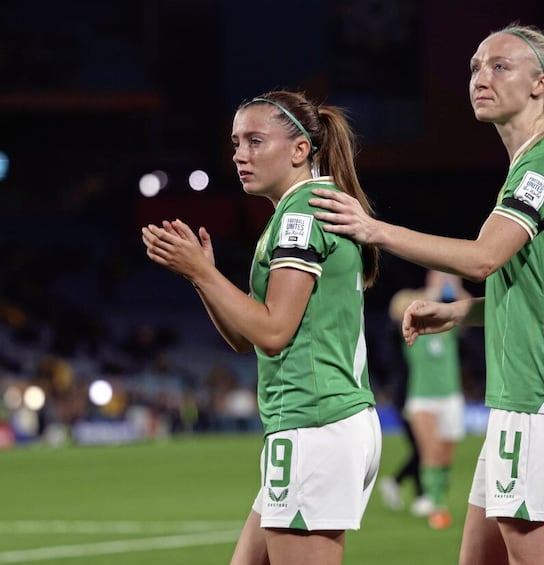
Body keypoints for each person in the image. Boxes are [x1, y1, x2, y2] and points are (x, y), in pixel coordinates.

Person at [310, 22, 544, 565]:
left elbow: (482, 258)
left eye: (500, 66)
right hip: (521, 399)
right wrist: (461, 313)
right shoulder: (531, 164)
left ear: (541, 83)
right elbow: (543, 292)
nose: (481, 76)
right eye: (475, 66)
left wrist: (373, 229)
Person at [141, 89, 382, 565]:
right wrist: (201, 276)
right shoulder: (309, 207)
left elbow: (273, 334)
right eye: (235, 143)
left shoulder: (301, 213)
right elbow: (244, 337)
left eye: (255, 141)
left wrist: (203, 272)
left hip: (313, 423)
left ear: (299, 150)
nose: (239, 155)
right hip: (327, 422)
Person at [383, 269, 470, 529]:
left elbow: (471, 316)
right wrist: (431, 294)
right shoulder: (417, 316)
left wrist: (456, 289)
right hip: (421, 395)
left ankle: (437, 496)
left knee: (445, 454)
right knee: (429, 451)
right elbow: (397, 309)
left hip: (451, 395)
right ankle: (435, 504)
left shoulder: (447, 320)